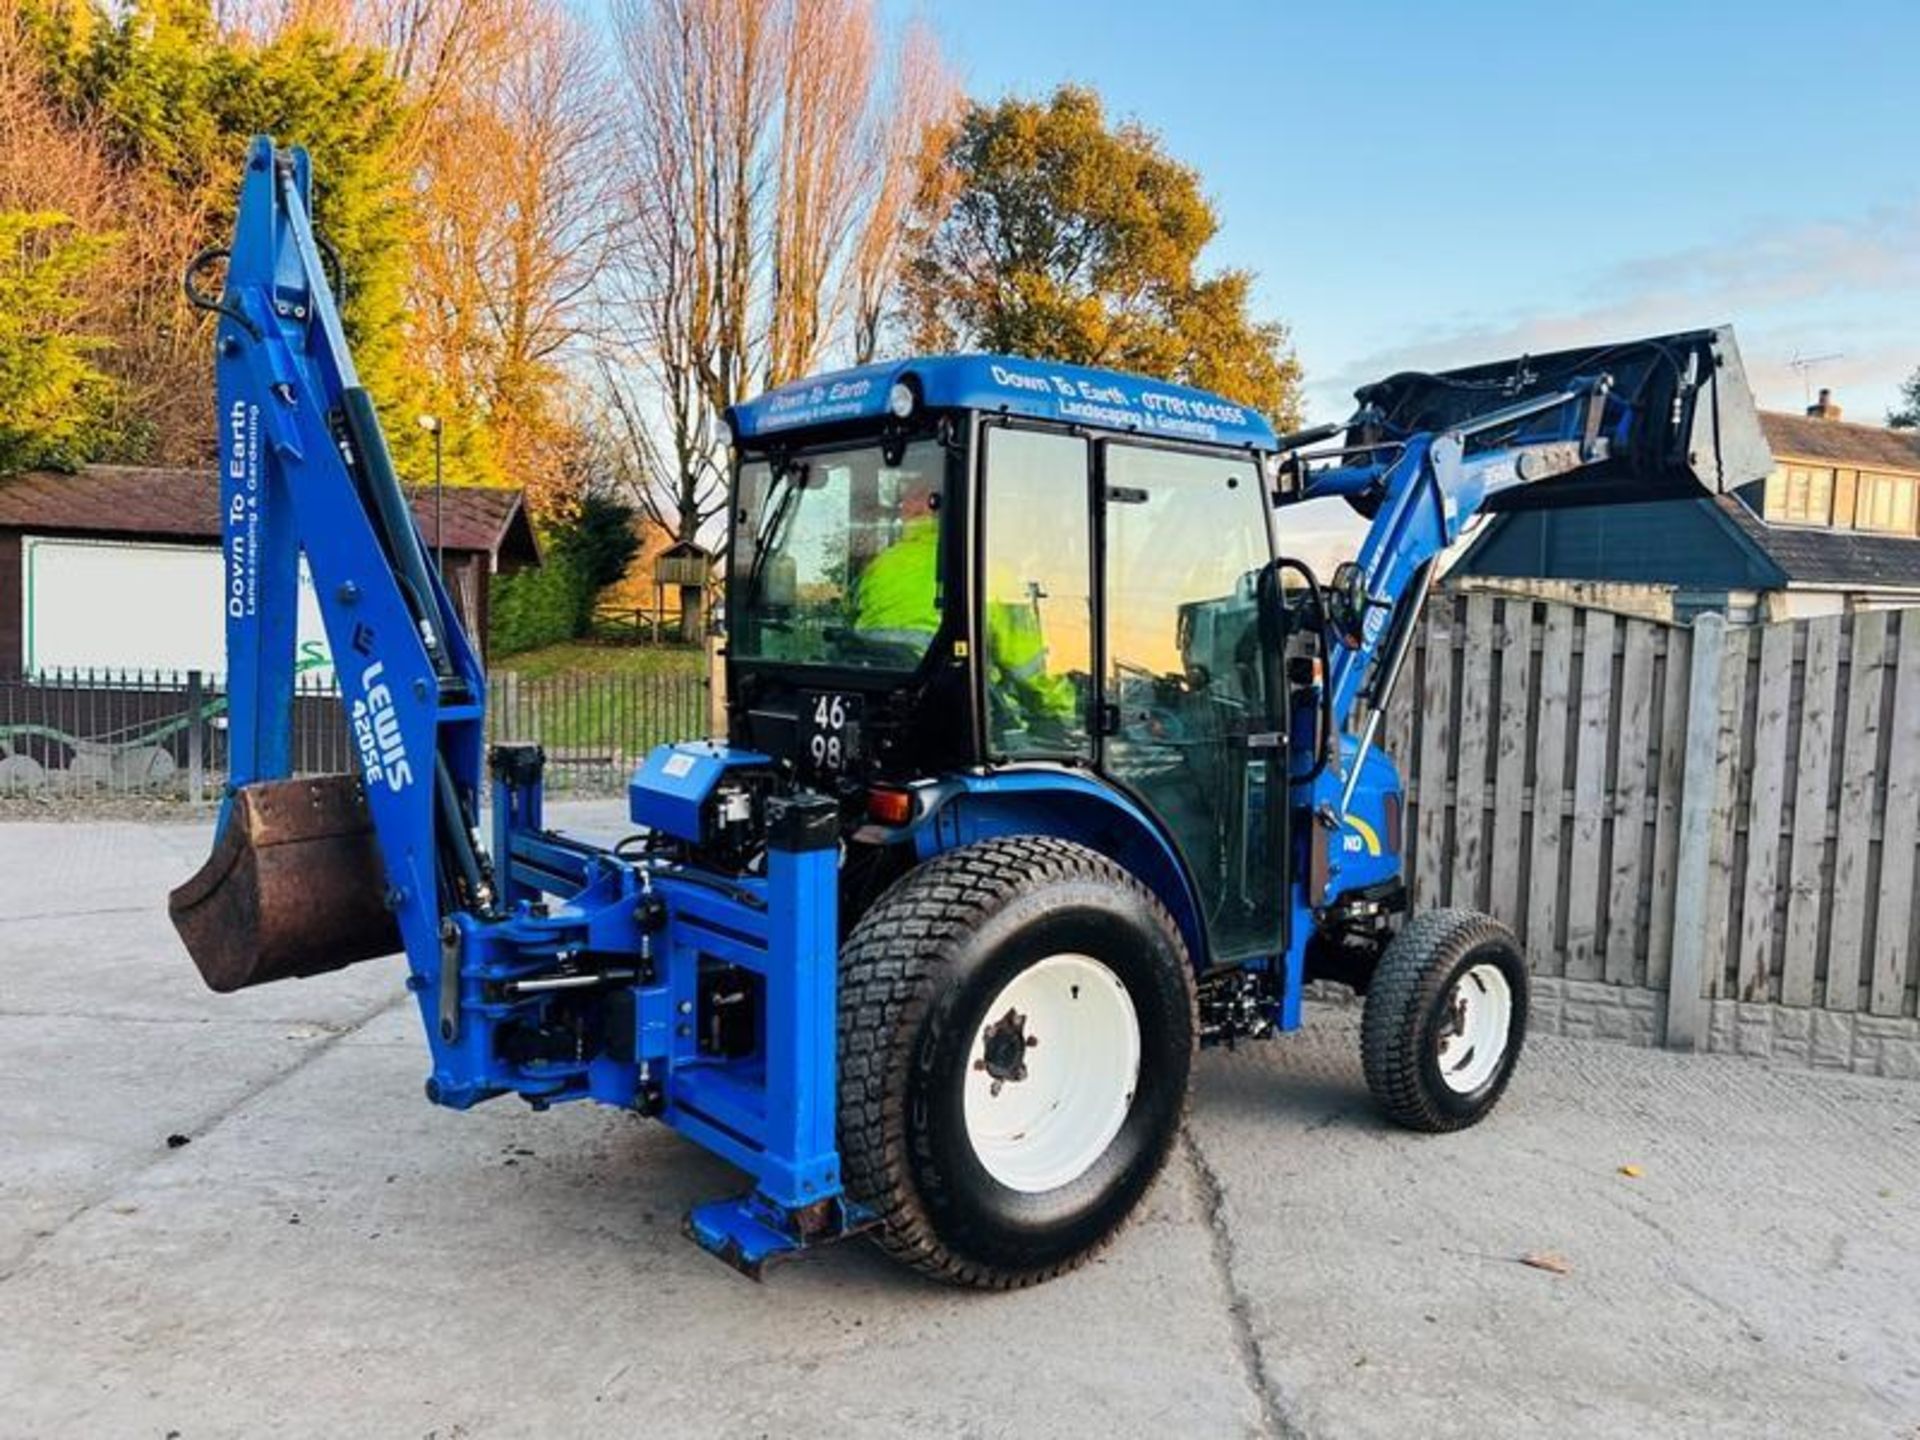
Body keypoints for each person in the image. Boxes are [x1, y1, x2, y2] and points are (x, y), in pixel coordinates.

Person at [852, 473, 1077, 741]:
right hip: (969, 722)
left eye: (905, 500)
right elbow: (1027, 668)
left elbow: (854, 624)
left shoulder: (878, 568)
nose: (901, 507)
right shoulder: (989, 569)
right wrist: (1068, 715)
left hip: (890, 717)